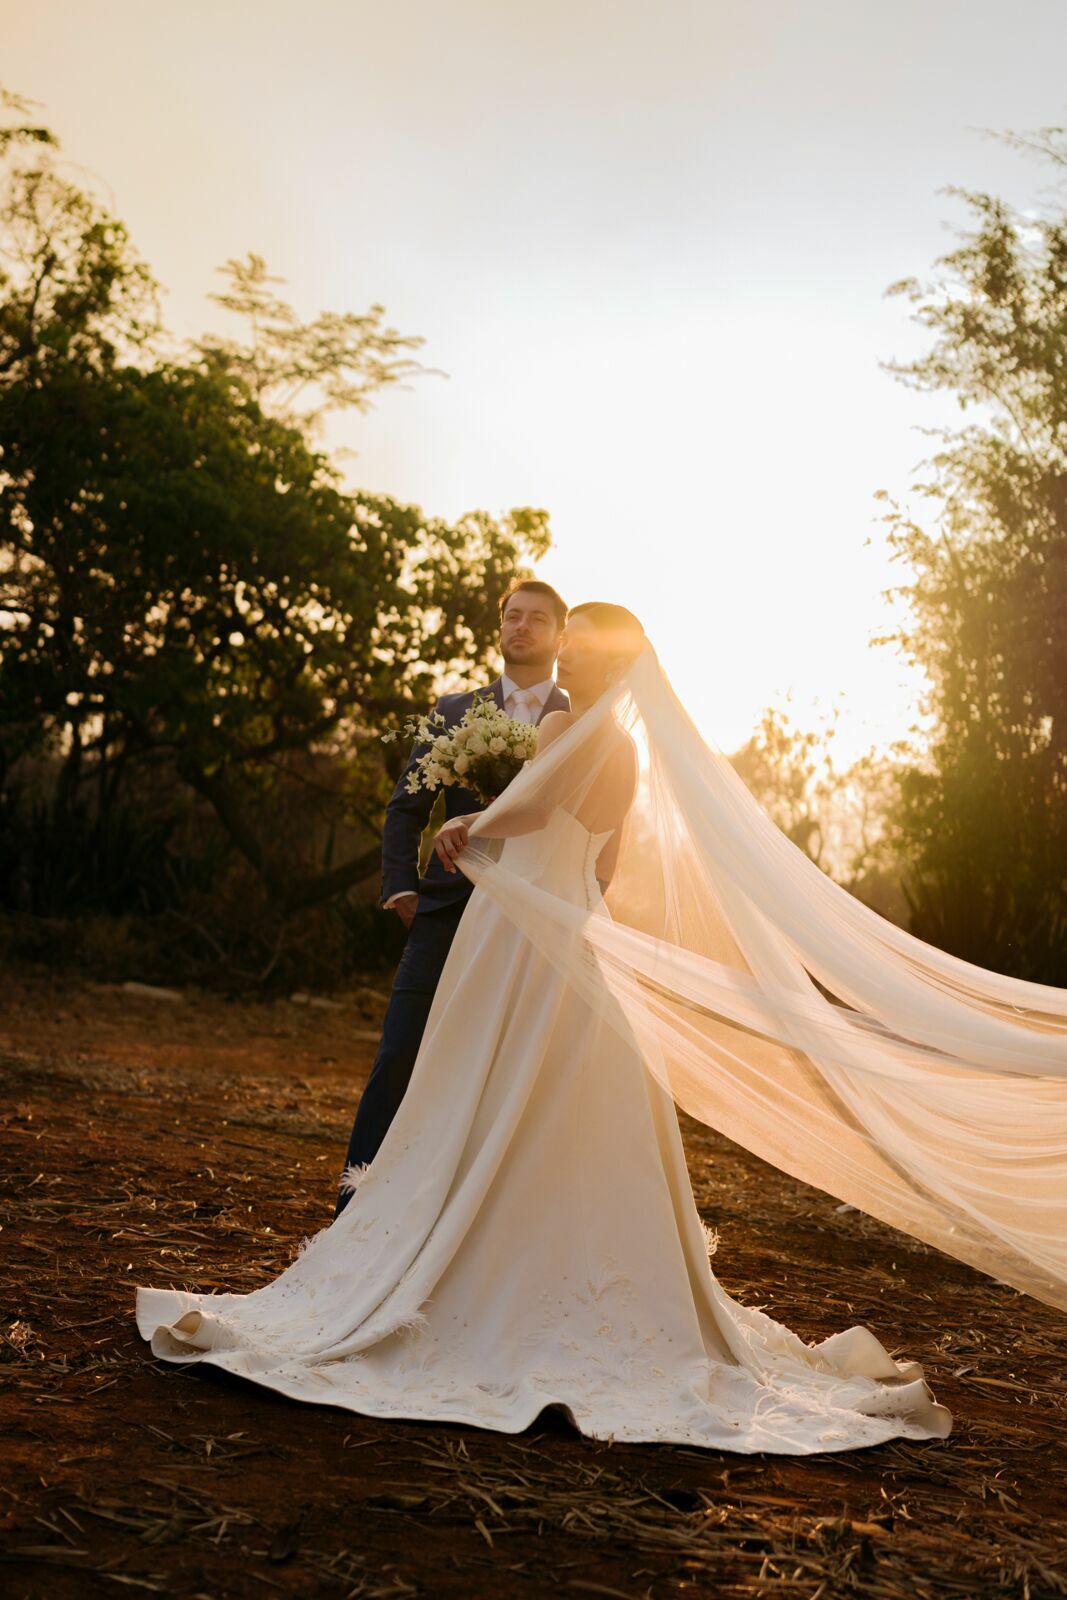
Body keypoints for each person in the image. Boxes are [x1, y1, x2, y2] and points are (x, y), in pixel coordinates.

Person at [135, 599, 1067, 1453]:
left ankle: (477, 1263)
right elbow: (607, 854)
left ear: (602, 656)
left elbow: (536, 802)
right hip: (568, 922)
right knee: (548, 1103)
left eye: (578, 637)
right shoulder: (625, 744)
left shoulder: (565, 726)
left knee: (483, 1088)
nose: (563, 646)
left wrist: (470, 830)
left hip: (520, 934)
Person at [334, 578, 569, 1216]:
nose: (521, 627)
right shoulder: (454, 710)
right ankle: (354, 1212)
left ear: (559, 636)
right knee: (401, 1052)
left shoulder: (579, 716)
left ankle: (476, 1223)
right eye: (511, 616)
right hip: (444, 909)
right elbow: (406, 808)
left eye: (537, 619)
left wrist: (586, 906)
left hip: (534, 919)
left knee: (510, 1073)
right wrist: (401, 887)